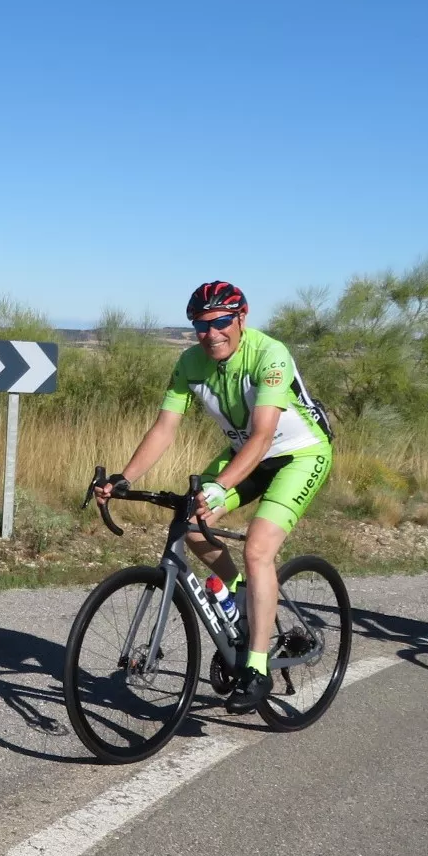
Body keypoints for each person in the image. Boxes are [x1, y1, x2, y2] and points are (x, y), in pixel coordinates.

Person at [95, 281, 333, 711]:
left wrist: (220, 488)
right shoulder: (190, 362)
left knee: (259, 548)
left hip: (297, 455)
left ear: (241, 318)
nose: (211, 333)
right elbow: (166, 427)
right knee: (188, 522)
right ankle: (242, 601)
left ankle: (256, 669)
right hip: (247, 454)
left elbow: (263, 436)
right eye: (200, 326)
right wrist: (123, 478)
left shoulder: (269, 355)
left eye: (221, 322)